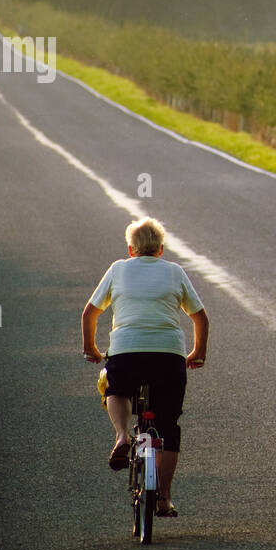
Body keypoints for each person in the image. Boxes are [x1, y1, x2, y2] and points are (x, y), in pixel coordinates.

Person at [81, 217, 208, 517]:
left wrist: (91, 349)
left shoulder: (118, 268)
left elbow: (90, 313)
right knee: (168, 426)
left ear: (130, 249)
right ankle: (164, 499)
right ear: (161, 249)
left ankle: (122, 435)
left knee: (116, 388)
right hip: (168, 356)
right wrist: (197, 352)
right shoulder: (175, 272)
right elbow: (200, 317)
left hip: (127, 352)